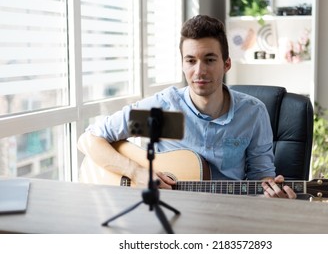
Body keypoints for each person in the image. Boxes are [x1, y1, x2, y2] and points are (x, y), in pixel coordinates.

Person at [78, 14, 296, 199]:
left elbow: (261, 177)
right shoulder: (163, 111)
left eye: (209, 60)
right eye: (191, 60)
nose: (199, 71)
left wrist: (272, 192)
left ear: (226, 64)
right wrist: (135, 172)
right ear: (183, 64)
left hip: (229, 215)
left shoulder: (252, 113)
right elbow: (89, 140)